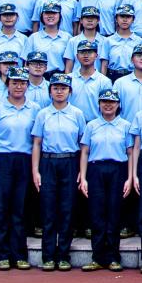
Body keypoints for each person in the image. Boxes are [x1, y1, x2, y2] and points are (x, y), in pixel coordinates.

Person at [0, 67, 38, 270]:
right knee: (1, 208)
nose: (18, 87)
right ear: (8, 84)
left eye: (22, 83)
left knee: (20, 208)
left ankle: (19, 254)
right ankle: (2, 255)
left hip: (24, 159)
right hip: (2, 160)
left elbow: (37, 141)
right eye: (14, 82)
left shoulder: (34, 108)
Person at [31, 73, 85, 271]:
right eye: (56, 88)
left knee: (67, 209)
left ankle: (63, 255)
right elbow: (37, 143)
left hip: (70, 162)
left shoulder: (77, 114)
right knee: (48, 210)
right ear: (50, 91)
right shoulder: (43, 114)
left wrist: (81, 171)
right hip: (48, 162)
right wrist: (35, 170)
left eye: (63, 88)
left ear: (70, 91)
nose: (59, 91)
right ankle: (47, 256)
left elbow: (83, 145)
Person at [79, 87, 136, 272]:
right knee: (97, 213)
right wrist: (83, 177)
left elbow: (130, 153)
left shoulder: (125, 125)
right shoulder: (92, 125)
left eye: (112, 102)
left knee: (114, 213)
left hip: (118, 169)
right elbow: (85, 152)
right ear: (99, 104)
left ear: (118, 105)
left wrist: (130, 178)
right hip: (96, 169)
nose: (108, 105)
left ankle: (113, 257)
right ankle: (97, 257)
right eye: (104, 102)